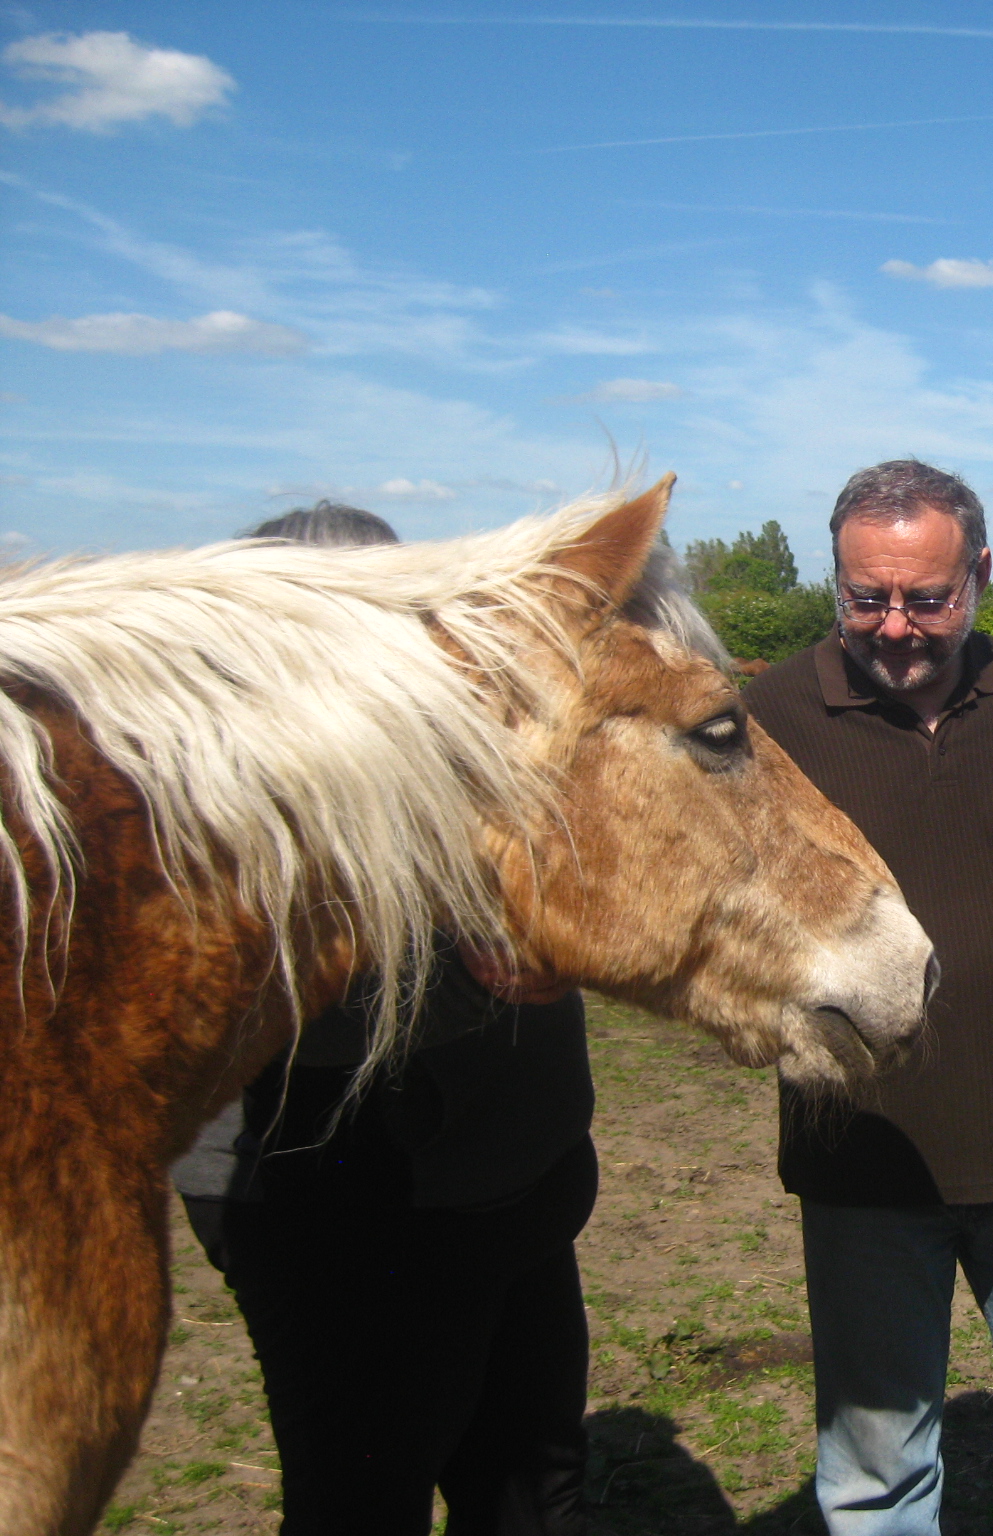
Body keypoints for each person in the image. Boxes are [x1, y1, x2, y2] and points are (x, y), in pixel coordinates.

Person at [169, 501, 597, 1536]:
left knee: (532, 1481)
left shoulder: (443, 748)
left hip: (518, 1189)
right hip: (337, 1214)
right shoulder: (222, 790)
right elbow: (265, 998)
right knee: (361, 1495)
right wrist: (492, 969)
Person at [746, 460, 993, 1536]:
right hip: (862, 1156)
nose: (893, 623)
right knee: (875, 1470)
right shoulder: (771, 714)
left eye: (926, 597)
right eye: (863, 595)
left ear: (978, 571)